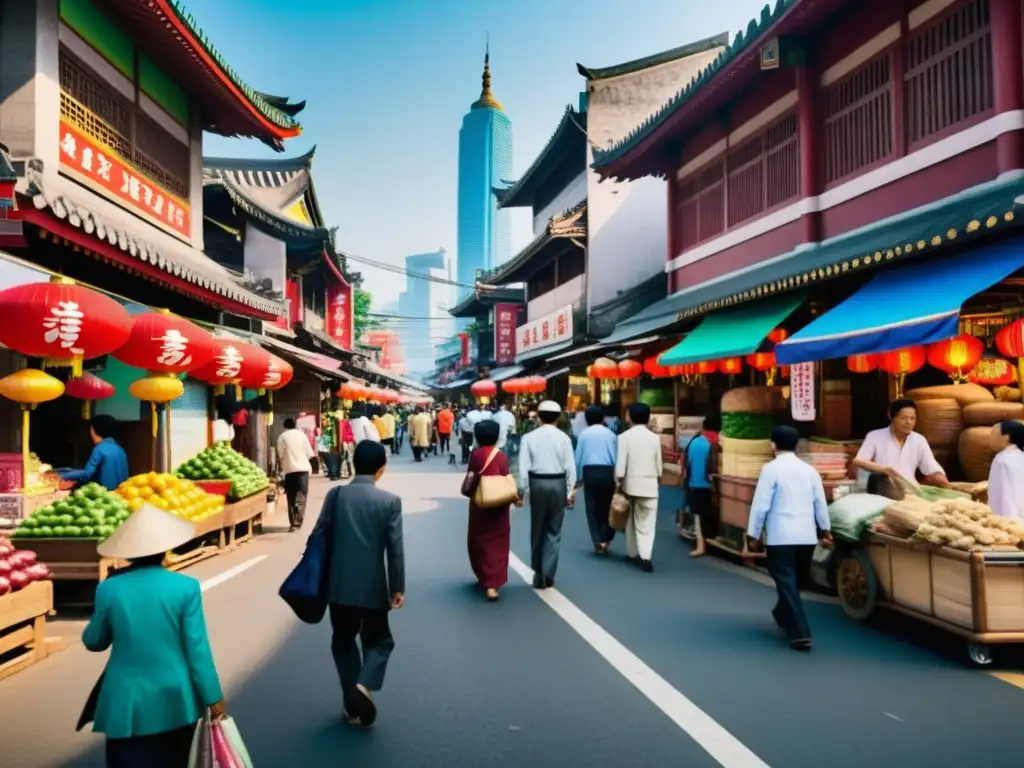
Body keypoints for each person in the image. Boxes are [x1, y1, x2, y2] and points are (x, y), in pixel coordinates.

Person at [81, 503, 226, 765]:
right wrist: (213, 697)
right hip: (176, 699)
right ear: (165, 550)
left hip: (126, 700)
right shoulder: (186, 587)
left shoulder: (110, 588)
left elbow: (93, 641)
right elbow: (198, 650)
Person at [313, 441, 404, 727]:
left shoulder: (336, 495)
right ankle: (364, 685)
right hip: (373, 588)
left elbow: (319, 535)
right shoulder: (389, 501)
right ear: (381, 470)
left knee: (343, 640)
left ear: (353, 462)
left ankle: (352, 702)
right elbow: (395, 549)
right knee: (379, 641)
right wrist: (397, 587)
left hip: (338, 587)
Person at [746, 425, 832, 651]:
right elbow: (819, 503)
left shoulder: (770, 470)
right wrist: (825, 529)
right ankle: (782, 614)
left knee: (786, 583)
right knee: (798, 582)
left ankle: (800, 633)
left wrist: (753, 534)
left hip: (780, 535)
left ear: (773, 444)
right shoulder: (810, 471)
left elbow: (760, 505)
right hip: (806, 535)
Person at [517, 400, 576, 589]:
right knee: (554, 529)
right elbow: (570, 468)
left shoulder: (528, 437)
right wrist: (569, 490)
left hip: (537, 483)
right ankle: (548, 572)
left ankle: (537, 572)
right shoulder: (564, 438)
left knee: (538, 528)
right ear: (558, 417)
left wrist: (523, 490)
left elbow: (523, 467)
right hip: (558, 483)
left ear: (539, 417)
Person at [466, 420, 520, 600]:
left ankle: (483, 576)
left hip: (480, 503)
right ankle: (493, 584)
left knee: (479, 540)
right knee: (498, 542)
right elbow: (507, 478)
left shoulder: (476, 455)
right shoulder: (501, 456)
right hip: (499, 504)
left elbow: (472, 477)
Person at [854, 398, 948, 496]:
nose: (908, 422)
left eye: (912, 418)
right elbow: (859, 461)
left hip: (912, 491)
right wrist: (884, 470)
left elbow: (929, 463)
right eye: (904, 418)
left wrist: (939, 476)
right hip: (885, 492)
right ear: (892, 417)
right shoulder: (875, 436)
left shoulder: (919, 440)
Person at [615, 403, 664, 572]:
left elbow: (621, 467)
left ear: (630, 417)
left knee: (630, 519)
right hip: (650, 485)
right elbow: (659, 466)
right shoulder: (655, 438)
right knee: (647, 522)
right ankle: (646, 556)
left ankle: (631, 552)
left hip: (631, 485)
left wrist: (618, 484)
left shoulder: (624, 437)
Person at [574, 405, 617, 555]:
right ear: (603, 418)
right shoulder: (610, 434)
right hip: (607, 472)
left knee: (592, 508)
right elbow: (615, 456)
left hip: (589, 472)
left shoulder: (584, 435)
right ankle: (606, 537)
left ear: (586, 419)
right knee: (608, 506)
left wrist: (577, 479)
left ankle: (597, 540)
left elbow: (578, 458)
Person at [684, 413, 721, 558]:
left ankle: (700, 545)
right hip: (712, 486)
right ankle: (709, 540)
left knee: (699, 516)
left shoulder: (695, 441)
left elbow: (687, 463)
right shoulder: (718, 442)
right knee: (710, 514)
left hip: (695, 483)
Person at [61, 414, 130, 491]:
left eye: (91, 429)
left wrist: (64, 475)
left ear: (94, 430)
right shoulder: (119, 449)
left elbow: (86, 475)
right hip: (121, 493)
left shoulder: (99, 449)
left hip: (105, 495)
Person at [276, 417, 315, 532]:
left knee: (291, 497)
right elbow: (309, 453)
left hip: (289, 471)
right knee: (301, 496)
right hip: (303, 470)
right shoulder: (302, 435)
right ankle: (298, 522)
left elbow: (280, 454)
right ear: (295, 425)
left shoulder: (282, 437)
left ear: (285, 426)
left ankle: (293, 522)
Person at [987, 420, 1024, 520]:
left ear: (1006, 438)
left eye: (993, 434)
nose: (990, 438)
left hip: (1010, 524)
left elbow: (1002, 498)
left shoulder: (1001, 460)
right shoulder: (1020, 456)